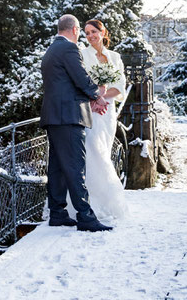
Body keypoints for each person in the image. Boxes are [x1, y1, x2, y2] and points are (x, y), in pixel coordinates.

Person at [40, 14, 113, 232]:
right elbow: (80, 77)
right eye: (80, 30)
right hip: (68, 116)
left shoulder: (52, 49)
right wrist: (96, 95)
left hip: (54, 117)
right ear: (75, 29)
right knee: (75, 166)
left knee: (58, 167)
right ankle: (85, 217)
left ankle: (58, 213)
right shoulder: (69, 49)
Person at [77, 19, 128, 220]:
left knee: (104, 153)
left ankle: (106, 203)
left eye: (93, 32)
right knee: (92, 152)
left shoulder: (115, 57)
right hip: (90, 110)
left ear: (102, 31)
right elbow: (81, 83)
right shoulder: (82, 55)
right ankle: (89, 203)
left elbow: (120, 86)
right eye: (87, 33)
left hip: (107, 112)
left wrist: (102, 97)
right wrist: (93, 98)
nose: (90, 36)